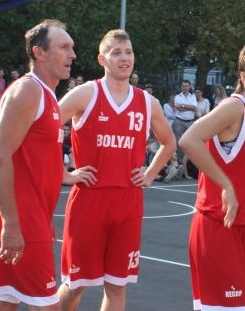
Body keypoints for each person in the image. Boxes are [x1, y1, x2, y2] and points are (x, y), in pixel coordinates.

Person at [0, 19, 95, 310]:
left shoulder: (47, 95)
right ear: (39, 53)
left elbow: (36, 155)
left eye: (72, 48)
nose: (72, 55)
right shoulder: (28, 91)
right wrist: (12, 224)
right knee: (46, 305)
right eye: (64, 47)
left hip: (29, 217)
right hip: (20, 220)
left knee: (3, 301)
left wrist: (64, 176)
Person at [56, 29, 175, 311]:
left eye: (129, 52)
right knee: (76, 284)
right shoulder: (86, 93)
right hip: (90, 199)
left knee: (117, 285)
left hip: (128, 201)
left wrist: (150, 173)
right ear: (102, 59)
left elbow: (169, 142)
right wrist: (64, 173)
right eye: (117, 52)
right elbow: (44, 127)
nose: (124, 58)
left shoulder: (147, 102)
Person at [180, 40, 245, 311]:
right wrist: (226, 185)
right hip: (221, 227)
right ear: (244, 76)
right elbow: (189, 140)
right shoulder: (235, 108)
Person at [173, 80, 198, 160]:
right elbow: (178, 108)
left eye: (186, 86)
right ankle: (180, 161)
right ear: (181, 87)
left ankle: (189, 160)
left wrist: (183, 105)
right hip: (179, 121)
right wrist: (189, 107)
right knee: (179, 142)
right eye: (183, 86)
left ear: (189, 87)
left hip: (190, 122)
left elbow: (194, 108)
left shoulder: (193, 97)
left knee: (190, 141)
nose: (185, 88)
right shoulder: (177, 97)